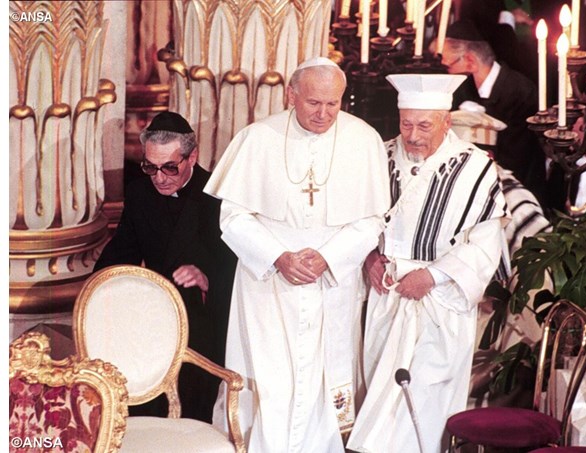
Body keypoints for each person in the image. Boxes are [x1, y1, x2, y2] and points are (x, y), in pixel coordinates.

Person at [203, 57, 390, 452]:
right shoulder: (257, 138)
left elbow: (373, 220)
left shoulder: (364, 139)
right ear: (291, 95)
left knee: (327, 377)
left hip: (331, 283)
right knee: (270, 378)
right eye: (313, 103)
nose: (324, 114)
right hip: (267, 285)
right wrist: (278, 256)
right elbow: (233, 217)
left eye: (333, 104)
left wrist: (328, 257)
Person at [346, 74, 510, 453]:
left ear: (446, 122)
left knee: (420, 402)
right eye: (406, 124)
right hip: (385, 299)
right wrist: (369, 258)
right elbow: (355, 222)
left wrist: (432, 275)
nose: (414, 135)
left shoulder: (476, 169)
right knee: (378, 398)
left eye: (424, 125)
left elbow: (485, 244)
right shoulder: (381, 157)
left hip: (439, 303)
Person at [94, 111, 237, 422]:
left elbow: (237, 266)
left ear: (192, 156)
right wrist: (98, 288)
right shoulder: (139, 191)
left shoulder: (219, 196)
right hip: (153, 318)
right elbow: (123, 248)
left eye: (170, 167)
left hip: (202, 319)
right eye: (150, 167)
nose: (159, 177)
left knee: (191, 411)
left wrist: (206, 276)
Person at [441, 20, 547, 206]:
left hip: (515, 192)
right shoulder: (462, 89)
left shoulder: (521, 92)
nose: (447, 72)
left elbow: (518, 157)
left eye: (448, 65)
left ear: (470, 61)